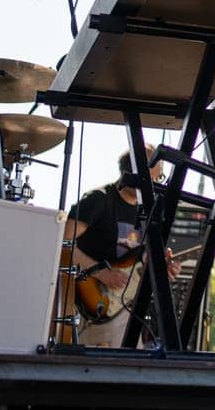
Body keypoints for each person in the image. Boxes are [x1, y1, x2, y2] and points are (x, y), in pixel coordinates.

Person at [62, 147, 175, 347]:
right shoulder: (99, 200)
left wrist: (161, 268)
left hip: (125, 310)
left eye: (159, 179)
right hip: (90, 306)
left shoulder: (149, 211)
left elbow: (139, 260)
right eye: (150, 179)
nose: (154, 186)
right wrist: (99, 272)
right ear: (127, 174)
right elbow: (61, 243)